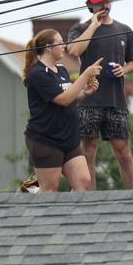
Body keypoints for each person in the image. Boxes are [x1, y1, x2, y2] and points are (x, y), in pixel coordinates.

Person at [67, 0, 133, 190]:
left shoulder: (124, 30)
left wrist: (124, 69)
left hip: (116, 100)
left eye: (107, 1)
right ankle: (90, 199)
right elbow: (74, 51)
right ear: (90, 5)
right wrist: (93, 25)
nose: (104, 6)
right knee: (88, 150)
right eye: (99, 3)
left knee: (123, 150)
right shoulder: (80, 29)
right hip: (88, 100)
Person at [22, 29, 103, 192]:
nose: (64, 45)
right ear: (48, 48)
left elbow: (69, 96)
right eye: (60, 42)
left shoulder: (62, 70)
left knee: (84, 183)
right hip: (46, 139)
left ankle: (71, 217)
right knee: (50, 188)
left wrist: (83, 93)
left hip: (69, 138)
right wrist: (86, 74)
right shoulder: (38, 74)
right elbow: (64, 99)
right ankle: (28, 198)